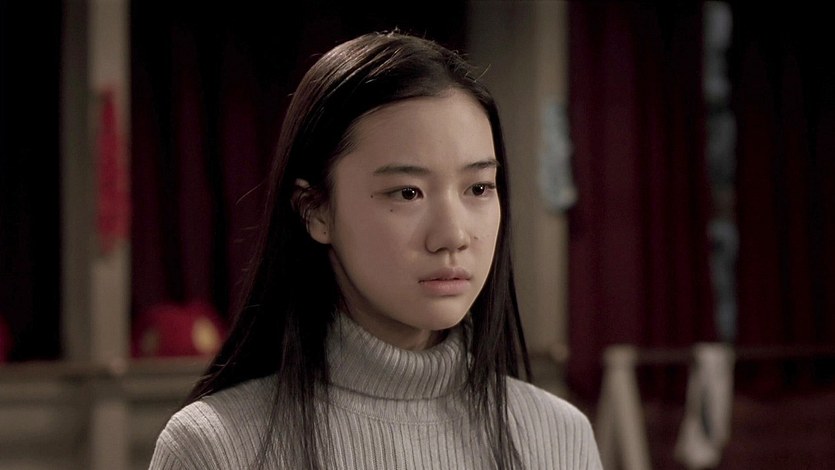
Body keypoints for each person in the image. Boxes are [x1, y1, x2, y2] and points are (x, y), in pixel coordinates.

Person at [149, 31, 602, 470]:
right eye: (407, 192)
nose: (453, 235)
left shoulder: (557, 435)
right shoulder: (216, 447)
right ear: (315, 210)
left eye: (479, 187)